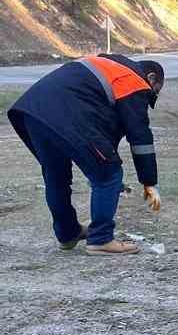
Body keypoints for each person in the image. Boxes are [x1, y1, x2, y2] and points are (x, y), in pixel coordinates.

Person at [7, 54, 165, 255]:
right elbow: (140, 137)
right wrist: (149, 182)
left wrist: (101, 161)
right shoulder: (133, 81)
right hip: (66, 115)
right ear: (150, 78)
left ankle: (68, 233)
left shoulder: (108, 66)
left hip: (32, 112)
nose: (150, 96)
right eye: (155, 91)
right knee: (109, 175)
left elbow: (104, 131)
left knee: (57, 176)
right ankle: (101, 239)